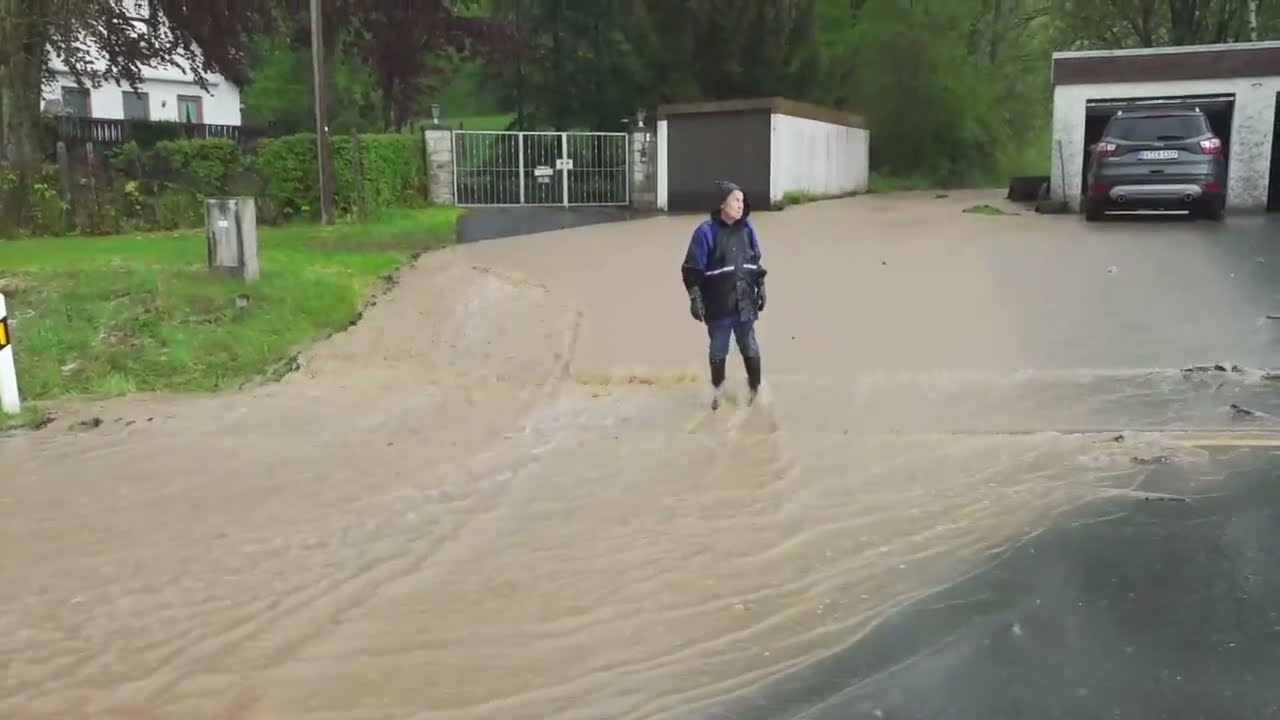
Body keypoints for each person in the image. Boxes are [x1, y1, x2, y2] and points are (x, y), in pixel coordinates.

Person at [681, 180, 767, 409]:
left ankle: (755, 391)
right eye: (735, 200)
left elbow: (755, 262)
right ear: (722, 204)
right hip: (718, 303)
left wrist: (761, 286)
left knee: (749, 345)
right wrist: (695, 297)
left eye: (742, 200)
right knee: (719, 348)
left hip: (745, 301)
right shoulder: (705, 233)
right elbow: (691, 270)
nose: (741, 205)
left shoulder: (747, 230)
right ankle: (717, 394)